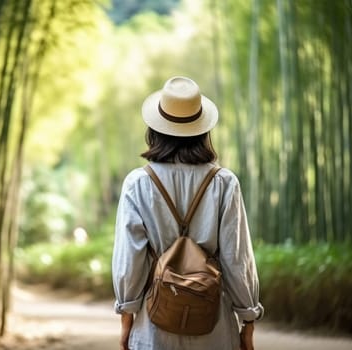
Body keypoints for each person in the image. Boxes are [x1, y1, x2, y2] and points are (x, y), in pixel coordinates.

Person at [112, 76, 264, 350]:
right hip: (214, 325)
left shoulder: (138, 183)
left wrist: (127, 317)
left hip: (154, 326)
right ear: (202, 130)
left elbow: (129, 261)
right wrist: (248, 318)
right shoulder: (224, 182)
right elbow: (237, 259)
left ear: (155, 130)